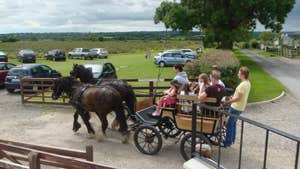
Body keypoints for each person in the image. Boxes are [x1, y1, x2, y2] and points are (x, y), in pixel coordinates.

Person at [223, 66, 251, 147]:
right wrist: (233, 97)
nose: (238, 74)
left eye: (239, 73)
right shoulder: (248, 83)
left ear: (242, 74)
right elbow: (239, 96)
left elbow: (238, 98)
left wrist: (228, 102)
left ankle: (227, 142)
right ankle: (232, 140)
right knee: (233, 124)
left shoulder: (243, 85)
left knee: (229, 124)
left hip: (236, 107)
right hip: (240, 107)